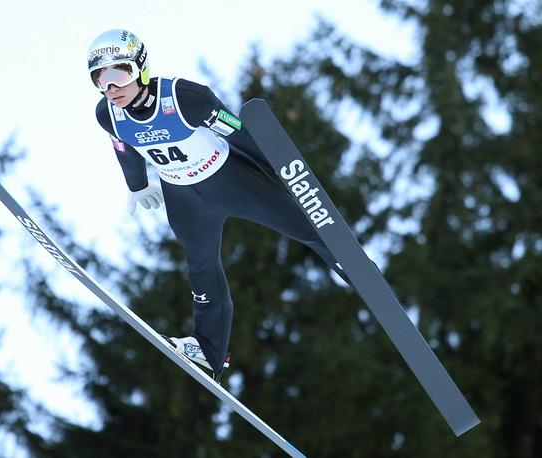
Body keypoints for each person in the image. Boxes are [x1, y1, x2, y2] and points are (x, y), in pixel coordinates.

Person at [88, 29, 349, 381]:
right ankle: (209, 352)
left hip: (229, 179)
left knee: (305, 226)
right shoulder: (108, 114)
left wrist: (284, 168)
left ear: (141, 68)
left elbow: (238, 132)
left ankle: (352, 266)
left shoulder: (186, 97)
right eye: (100, 79)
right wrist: (136, 185)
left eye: (118, 74)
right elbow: (123, 148)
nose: (111, 88)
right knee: (200, 270)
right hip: (183, 197)